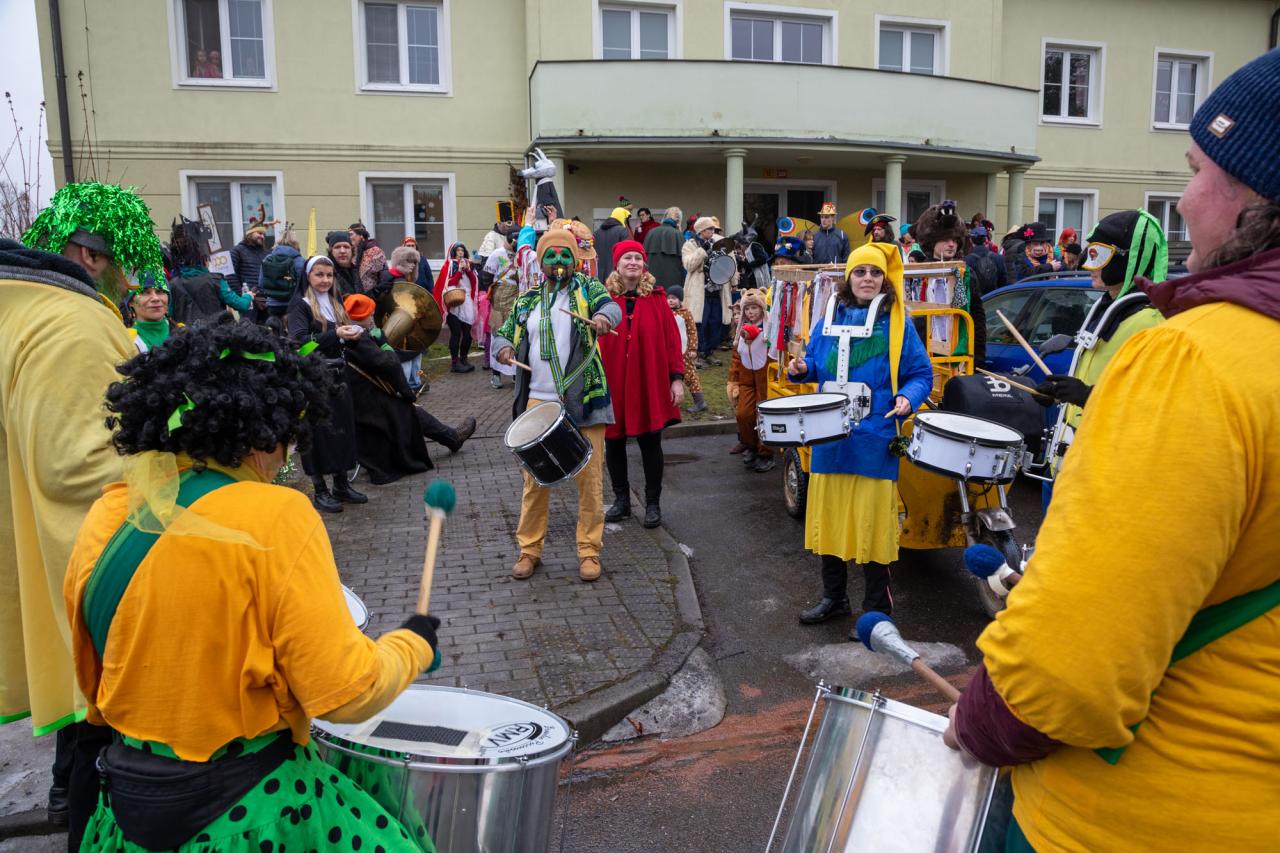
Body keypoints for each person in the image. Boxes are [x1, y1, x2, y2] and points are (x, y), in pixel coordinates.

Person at [945, 47, 1280, 852]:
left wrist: (983, 717)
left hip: (1139, 817)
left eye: (1196, 170)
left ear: (1255, 196)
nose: (1184, 199)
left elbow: (1067, 671)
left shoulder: (1198, 358)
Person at [63, 315, 441, 851]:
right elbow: (347, 694)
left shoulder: (107, 514)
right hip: (255, 814)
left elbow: (93, 683)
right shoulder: (277, 514)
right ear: (263, 432)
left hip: (127, 809)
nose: (285, 458)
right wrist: (413, 645)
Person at [3, 182, 163, 846]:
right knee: (107, 744)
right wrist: (187, 464)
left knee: (86, 740)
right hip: (95, 574)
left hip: (66, 564)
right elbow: (76, 466)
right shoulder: (68, 319)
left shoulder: (32, 309)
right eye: (126, 263)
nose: (131, 281)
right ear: (89, 255)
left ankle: (73, 802)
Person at [790, 243, 933, 630]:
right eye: (860, 272)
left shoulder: (898, 325)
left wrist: (908, 397)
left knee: (873, 527)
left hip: (874, 435)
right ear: (848, 278)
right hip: (830, 437)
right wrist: (802, 369)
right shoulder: (827, 318)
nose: (867, 278)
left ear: (884, 279)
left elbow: (921, 374)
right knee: (829, 520)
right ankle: (834, 598)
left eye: (874, 272)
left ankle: (876, 610)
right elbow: (815, 364)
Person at [494, 228, 621, 583]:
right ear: (541, 261)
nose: (559, 261)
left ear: (575, 260)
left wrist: (604, 319)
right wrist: (503, 348)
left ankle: (589, 552)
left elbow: (610, 307)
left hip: (585, 397)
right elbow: (504, 333)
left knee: (590, 480)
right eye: (551, 255)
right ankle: (529, 550)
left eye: (565, 255)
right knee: (535, 481)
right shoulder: (527, 300)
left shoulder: (588, 289)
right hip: (538, 399)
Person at [342, 294, 475, 483]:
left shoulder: (349, 335)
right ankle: (453, 438)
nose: (372, 317)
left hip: (361, 399)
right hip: (369, 406)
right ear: (361, 317)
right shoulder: (360, 339)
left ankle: (452, 437)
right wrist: (384, 344)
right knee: (410, 410)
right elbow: (389, 365)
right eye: (370, 314)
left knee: (409, 408)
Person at [598, 240, 684, 528]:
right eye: (627, 258)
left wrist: (676, 379)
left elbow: (672, 342)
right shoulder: (604, 300)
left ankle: (652, 503)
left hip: (648, 380)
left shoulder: (657, 300)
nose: (633, 262)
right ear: (617, 264)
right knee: (613, 441)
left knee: (650, 442)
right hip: (613, 381)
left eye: (637, 258)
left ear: (644, 264)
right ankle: (622, 501)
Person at [287, 256, 365, 513]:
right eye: (319, 275)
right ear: (308, 276)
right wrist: (335, 334)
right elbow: (300, 344)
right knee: (317, 435)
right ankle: (320, 490)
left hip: (338, 375)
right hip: (313, 377)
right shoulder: (300, 305)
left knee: (342, 430)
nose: (325, 280)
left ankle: (341, 484)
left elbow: (337, 338)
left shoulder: (334, 302)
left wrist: (352, 335)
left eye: (329, 275)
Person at [915, 207, 986, 363]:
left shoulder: (965, 272)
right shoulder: (917, 273)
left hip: (958, 349)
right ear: (932, 241)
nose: (951, 245)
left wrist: (977, 354)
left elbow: (977, 314)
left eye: (954, 240)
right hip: (925, 352)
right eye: (945, 239)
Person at [166, 217, 253, 325]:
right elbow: (241, 305)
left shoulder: (172, 284)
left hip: (184, 334)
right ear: (202, 256)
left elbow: (168, 314)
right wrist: (248, 296)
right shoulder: (216, 280)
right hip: (213, 333)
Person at [727, 289, 776, 473]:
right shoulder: (741, 330)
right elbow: (736, 358)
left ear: (762, 308)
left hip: (765, 380)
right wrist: (733, 381)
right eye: (747, 309)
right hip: (746, 379)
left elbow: (776, 354)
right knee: (743, 414)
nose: (750, 312)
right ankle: (751, 445)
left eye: (754, 308)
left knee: (764, 415)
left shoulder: (770, 329)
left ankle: (766, 453)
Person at [682, 216, 735, 368]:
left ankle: (709, 352)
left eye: (713, 229)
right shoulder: (690, 245)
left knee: (716, 322)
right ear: (701, 230)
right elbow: (689, 265)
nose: (713, 231)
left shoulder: (719, 243)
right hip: (699, 292)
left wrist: (733, 280)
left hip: (717, 291)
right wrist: (702, 251)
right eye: (710, 229)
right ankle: (698, 353)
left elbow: (729, 263)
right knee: (700, 323)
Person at [435, 242, 479, 373]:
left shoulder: (469, 264)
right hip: (454, 302)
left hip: (467, 302)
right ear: (454, 252)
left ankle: (464, 359)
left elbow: (474, 282)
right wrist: (459, 271)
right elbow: (450, 283)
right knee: (456, 333)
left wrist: (468, 270)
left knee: (467, 334)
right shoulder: (449, 265)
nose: (460, 252)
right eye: (458, 250)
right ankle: (455, 362)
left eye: (462, 250)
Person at [484, 230, 520, 389]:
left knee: (516, 334)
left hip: (516, 297)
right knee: (498, 333)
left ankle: (515, 373)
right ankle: (496, 374)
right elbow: (485, 277)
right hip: (499, 299)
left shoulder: (523, 254)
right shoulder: (497, 253)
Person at [666, 285, 705, 413]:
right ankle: (670, 401)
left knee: (690, 376)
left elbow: (692, 332)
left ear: (680, 300)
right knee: (668, 376)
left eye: (674, 298)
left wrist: (693, 349)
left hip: (684, 351)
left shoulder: (686, 314)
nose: (670, 300)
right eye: (668, 298)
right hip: (668, 352)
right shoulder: (664, 313)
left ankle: (700, 402)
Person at [123, 272, 180, 354]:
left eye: (160, 291)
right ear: (131, 302)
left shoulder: (184, 333)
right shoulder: (126, 342)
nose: (155, 298)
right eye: (145, 292)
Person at [258, 227, 305, 318]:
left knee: (275, 326)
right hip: (293, 304)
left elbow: (261, 283)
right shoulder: (299, 260)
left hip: (273, 304)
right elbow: (303, 285)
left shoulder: (268, 259)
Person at [643, 206, 685, 290]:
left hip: (651, 282)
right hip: (672, 285)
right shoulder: (678, 234)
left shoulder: (651, 232)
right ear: (678, 220)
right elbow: (684, 262)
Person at [228, 221, 268, 302]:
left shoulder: (266, 253)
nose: (262, 237)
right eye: (260, 233)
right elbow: (230, 276)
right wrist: (244, 297)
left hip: (266, 300)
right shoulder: (237, 251)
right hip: (248, 301)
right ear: (250, 233)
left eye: (264, 235)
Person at [963, 224, 1007, 296]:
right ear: (985, 239)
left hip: (975, 300)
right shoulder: (999, 258)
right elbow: (1003, 283)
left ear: (971, 240)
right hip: (994, 298)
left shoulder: (966, 260)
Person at [593, 206, 632, 281]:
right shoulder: (622, 231)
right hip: (615, 273)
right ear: (622, 217)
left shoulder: (597, 232)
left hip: (598, 273)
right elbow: (626, 252)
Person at [326, 229, 360, 298]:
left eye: (346, 247)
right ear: (331, 251)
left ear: (352, 250)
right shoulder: (327, 272)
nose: (342, 251)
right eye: (337, 247)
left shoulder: (354, 269)